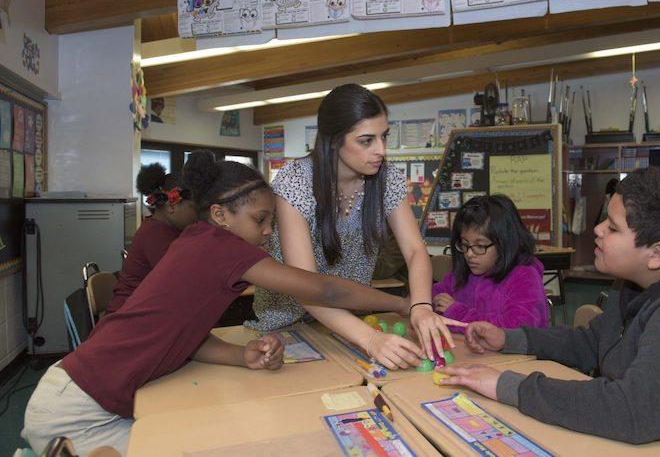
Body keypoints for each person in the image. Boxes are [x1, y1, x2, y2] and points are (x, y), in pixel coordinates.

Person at [22, 150, 426, 455]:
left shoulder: (198, 242)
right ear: (220, 214)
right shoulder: (220, 248)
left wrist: (240, 356)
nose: (269, 232)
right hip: (77, 410)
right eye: (260, 220)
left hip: (89, 396)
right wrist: (399, 304)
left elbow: (184, 336)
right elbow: (323, 290)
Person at [436, 167, 660, 454]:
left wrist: (507, 386)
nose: (595, 230)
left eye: (612, 227)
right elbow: (595, 342)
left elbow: (637, 411)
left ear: (656, 254)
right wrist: (511, 338)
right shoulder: (638, 285)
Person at [249, 84, 458, 368]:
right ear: (334, 140)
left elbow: (415, 251)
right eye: (366, 140)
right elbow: (305, 286)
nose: (381, 150)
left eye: (384, 136)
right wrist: (370, 340)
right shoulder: (295, 181)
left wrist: (421, 305)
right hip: (290, 321)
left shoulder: (387, 179)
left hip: (350, 319)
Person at [432, 195, 548, 330]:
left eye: (480, 246)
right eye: (464, 244)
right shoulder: (463, 273)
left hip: (511, 352)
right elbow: (435, 295)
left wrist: (457, 312)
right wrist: (414, 304)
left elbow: (518, 329)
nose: (469, 254)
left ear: (504, 243)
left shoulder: (525, 277)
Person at [106, 163, 196, 313]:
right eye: (194, 208)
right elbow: (182, 280)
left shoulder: (168, 229)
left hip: (143, 312)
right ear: (171, 205)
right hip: (126, 319)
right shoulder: (155, 233)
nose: (197, 215)